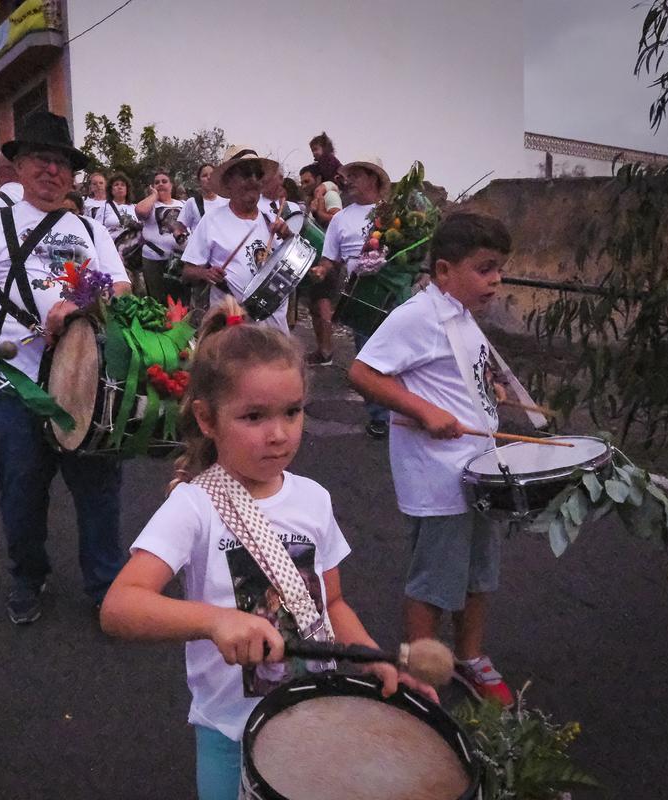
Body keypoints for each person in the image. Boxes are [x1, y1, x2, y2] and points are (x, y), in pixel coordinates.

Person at [101, 300, 436, 799]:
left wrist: (372, 660)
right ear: (208, 420)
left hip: (312, 714)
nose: (279, 434)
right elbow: (119, 607)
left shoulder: (314, 500)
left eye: (292, 412)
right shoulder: (194, 507)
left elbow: (333, 602)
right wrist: (215, 621)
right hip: (229, 731)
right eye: (253, 416)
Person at [0, 110, 132, 625]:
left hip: (85, 386)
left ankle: (105, 584)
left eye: (61, 164)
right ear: (19, 167)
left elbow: (120, 288)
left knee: (99, 493)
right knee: (21, 490)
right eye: (41, 161)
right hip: (16, 384)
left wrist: (80, 301)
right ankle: (29, 574)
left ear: (71, 175)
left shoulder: (92, 230)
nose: (51, 171)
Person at [347, 212, 515, 708]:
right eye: (485, 268)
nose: (496, 280)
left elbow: (455, 374)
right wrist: (422, 409)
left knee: (478, 573)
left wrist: (492, 388)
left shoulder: (461, 317)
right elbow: (363, 372)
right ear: (444, 271)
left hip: (478, 469)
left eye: (499, 268)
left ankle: (470, 657)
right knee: (434, 582)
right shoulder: (419, 315)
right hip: (441, 478)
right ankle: (417, 674)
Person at [180, 146, 294, 332]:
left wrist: (289, 239)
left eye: (258, 175)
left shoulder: (272, 220)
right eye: (246, 174)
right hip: (232, 330)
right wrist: (206, 274)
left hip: (274, 332)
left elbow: (295, 271)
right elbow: (187, 272)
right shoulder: (212, 221)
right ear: (228, 182)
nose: (253, 180)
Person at [311, 158, 390, 422]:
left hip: (394, 294)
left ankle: (402, 414)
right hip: (359, 296)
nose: (350, 180)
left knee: (402, 356)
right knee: (368, 357)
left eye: (357, 175)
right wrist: (322, 270)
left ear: (374, 179)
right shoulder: (340, 218)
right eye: (349, 175)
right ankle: (379, 417)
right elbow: (330, 258)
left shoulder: (392, 213)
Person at [134, 170, 186, 302]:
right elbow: (140, 211)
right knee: (159, 300)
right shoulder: (151, 204)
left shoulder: (183, 204)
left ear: (171, 185)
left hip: (180, 260)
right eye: (157, 183)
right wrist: (154, 195)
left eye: (164, 181)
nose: (161, 184)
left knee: (180, 300)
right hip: (154, 259)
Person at [176, 163, 228, 240]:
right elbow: (179, 229)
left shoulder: (226, 202)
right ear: (199, 181)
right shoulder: (192, 202)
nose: (209, 178)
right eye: (204, 175)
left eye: (212, 174)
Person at [82, 170, 124, 237]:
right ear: (90, 187)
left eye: (101, 183)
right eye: (94, 184)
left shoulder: (115, 202)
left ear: (106, 185)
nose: (98, 185)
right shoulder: (86, 204)